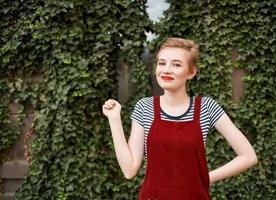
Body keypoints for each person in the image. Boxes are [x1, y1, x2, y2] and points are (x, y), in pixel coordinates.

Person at [102, 37, 258, 199]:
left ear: (191, 72)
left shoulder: (206, 107)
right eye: (162, 63)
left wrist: (205, 178)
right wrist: (114, 120)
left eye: (176, 64)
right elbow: (129, 170)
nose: (167, 70)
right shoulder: (145, 107)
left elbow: (248, 156)